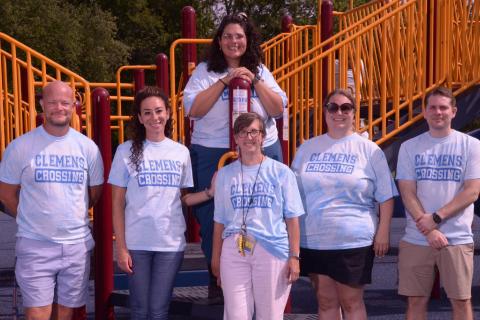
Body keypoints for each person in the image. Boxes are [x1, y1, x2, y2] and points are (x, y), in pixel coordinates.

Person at [183, 12, 287, 296]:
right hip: (214, 148)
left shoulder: (261, 70)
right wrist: (225, 82)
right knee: (212, 215)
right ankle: (217, 279)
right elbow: (193, 109)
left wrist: (253, 81)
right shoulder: (205, 71)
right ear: (219, 41)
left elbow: (278, 108)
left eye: (239, 36)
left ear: (248, 40)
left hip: (259, 148)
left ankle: (263, 279)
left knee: (262, 213)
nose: (233, 41)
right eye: (227, 36)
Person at [0, 81, 104, 320]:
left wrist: (68, 213)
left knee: (66, 314)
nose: (59, 107)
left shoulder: (88, 148)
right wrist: (31, 216)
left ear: (74, 106)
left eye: (65, 102)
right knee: (38, 314)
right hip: (35, 244)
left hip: (76, 246)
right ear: (41, 105)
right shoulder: (20, 147)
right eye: (53, 102)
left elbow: (95, 192)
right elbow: (5, 193)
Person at [291, 89, 397, 320]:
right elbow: (292, 195)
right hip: (314, 239)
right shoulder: (307, 148)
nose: (339, 112)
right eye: (333, 107)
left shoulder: (369, 150)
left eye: (345, 107)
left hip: (353, 240)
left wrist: (383, 231)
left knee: (351, 303)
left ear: (353, 113)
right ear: (325, 111)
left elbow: (386, 196)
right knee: (325, 302)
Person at [109, 86, 193, 320]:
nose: (154, 117)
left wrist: (210, 192)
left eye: (158, 111)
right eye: (147, 113)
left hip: (170, 242)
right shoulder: (125, 151)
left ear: (167, 113)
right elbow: (117, 203)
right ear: (139, 118)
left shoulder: (181, 152)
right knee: (139, 309)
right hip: (137, 242)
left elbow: (183, 197)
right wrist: (121, 247)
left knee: (158, 310)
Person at [396, 87, 480, 320]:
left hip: (457, 237)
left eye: (443, 107)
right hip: (416, 237)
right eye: (432, 107)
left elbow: (472, 191)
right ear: (424, 112)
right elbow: (407, 192)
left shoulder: (471, 146)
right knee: (415, 301)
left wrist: (435, 219)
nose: (438, 112)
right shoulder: (409, 147)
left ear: (453, 111)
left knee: (461, 301)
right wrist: (428, 230)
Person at [211, 112, 304, 319]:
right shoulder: (225, 175)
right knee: (236, 315)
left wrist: (294, 257)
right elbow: (219, 221)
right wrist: (215, 258)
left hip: (271, 249)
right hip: (234, 248)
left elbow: (292, 219)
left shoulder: (281, 172)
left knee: (269, 315)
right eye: (243, 133)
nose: (249, 137)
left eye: (254, 131)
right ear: (236, 138)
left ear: (262, 136)